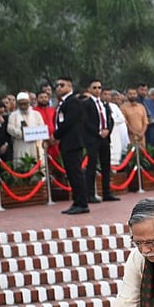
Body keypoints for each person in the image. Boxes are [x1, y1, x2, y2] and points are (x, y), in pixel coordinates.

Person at [53, 77, 91, 214]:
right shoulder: (64, 103)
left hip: (73, 142)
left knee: (76, 173)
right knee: (71, 173)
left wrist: (56, 135)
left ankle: (82, 203)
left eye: (62, 85)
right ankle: (77, 201)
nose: (58, 87)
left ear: (70, 86)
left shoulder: (73, 102)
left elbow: (68, 122)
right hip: (67, 142)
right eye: (56, 85)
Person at [83, 79, 121, 203]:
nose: (97, 90)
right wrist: (98, 131)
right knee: (92, 166)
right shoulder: (87, 104)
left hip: (105, 138)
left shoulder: (104, 104)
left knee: (106, 166)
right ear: (89, 89)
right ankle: (90, 194)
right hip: (93, 138)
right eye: (94, 88)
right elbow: (86, 122)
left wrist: (107, 130)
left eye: (99, 87)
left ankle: (107, 192)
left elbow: (110, 120)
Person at [6, 92, 45, 164]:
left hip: (35, 145)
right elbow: (10, 128)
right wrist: (22, 134)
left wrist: (31, 134)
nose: (23, 106)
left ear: (29, 102)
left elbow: (42, 128)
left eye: (25, 103)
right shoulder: (13, 115)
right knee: (21, 168)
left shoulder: (36, 114)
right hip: (20, 145)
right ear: (18, 104)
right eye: (21, 104)